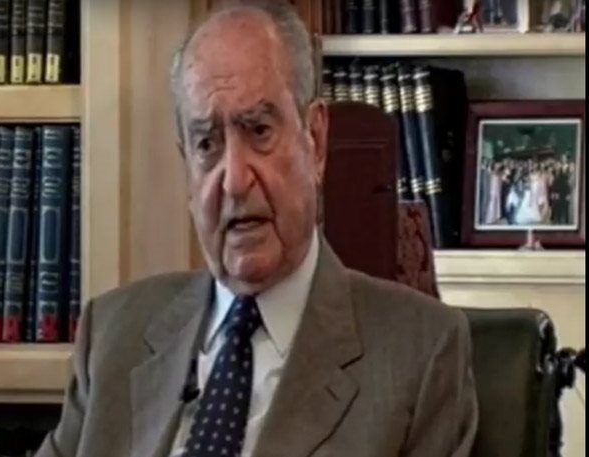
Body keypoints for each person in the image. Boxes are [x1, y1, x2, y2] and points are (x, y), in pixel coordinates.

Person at [35, 1, 478, 456]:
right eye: (207, 143)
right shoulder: (112, 335)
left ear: (316, 140)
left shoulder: (421, 353)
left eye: (260, 131)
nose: (234, 179)